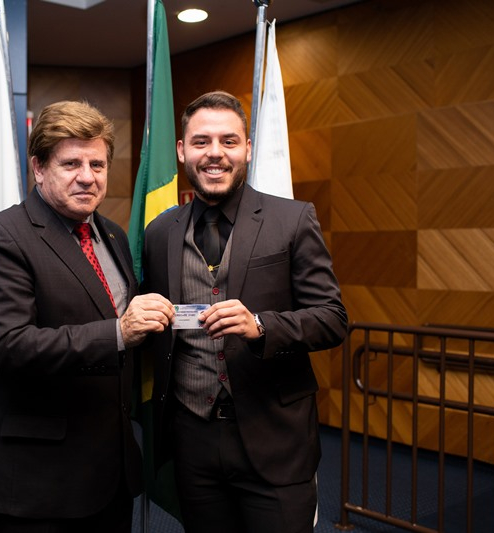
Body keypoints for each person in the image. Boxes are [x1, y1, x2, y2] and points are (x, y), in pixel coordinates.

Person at [0, 100, 175, 532]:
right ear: (39, 168)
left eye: (98, 164)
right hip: (36, 484)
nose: (87, 176)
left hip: (110, 476)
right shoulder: (0, 236)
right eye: (71, 163)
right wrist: (119, 332)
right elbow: (9, 347)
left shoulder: (111, 234)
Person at [141, 91, 348, 533]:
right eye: (201, 141)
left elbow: (332, 318)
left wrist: (261, 325)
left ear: (248, 149)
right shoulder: (159, 233)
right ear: (181, 150)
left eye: (229, 141)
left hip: (275, 437)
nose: (215, 153)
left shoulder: (292, 219)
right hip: (192, 439)